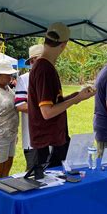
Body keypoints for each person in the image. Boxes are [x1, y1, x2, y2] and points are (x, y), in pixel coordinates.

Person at [28, 22, 95, 171]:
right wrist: (76, 99)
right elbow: (47, 112)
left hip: (54, 139)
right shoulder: (44, 69)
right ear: (64, 45)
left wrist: (77, 96)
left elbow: (53, 104)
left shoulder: (45, 67)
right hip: (48, 142)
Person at [15, 44, 43, 170]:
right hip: (32, 138)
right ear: (32, 61)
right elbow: (20, 105)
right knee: (33, 174)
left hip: (51, 137)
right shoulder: (24, 79)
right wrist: (45, 109)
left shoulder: (50, 77)